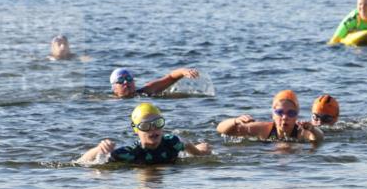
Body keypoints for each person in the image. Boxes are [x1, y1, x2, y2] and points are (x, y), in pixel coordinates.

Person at [78, 103, 211, 164]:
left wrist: (198, 151)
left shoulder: (171, 142)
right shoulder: (130, 153)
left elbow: (185, 144)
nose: (153, 129)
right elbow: (80, 163)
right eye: (146, 126)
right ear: (136, 129)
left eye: (157, 124)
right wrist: (98, 150)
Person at [216, 90, 323, 143]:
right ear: (273, 115)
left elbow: (319, 138)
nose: (285, 117)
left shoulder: (301, 131)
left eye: (291, 113)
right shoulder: (263, 129)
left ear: (296, 116)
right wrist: (235, 121)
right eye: (280, 112)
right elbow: (221, 129)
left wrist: (313, 129)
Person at [109, 67, 200, 98]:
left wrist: (183, 71)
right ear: (114, 89)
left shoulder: (145, 91)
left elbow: (170, 78)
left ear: (134, 82)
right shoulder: (110, 101)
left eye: (129, 78)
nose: (126, 82)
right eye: (120, 80)